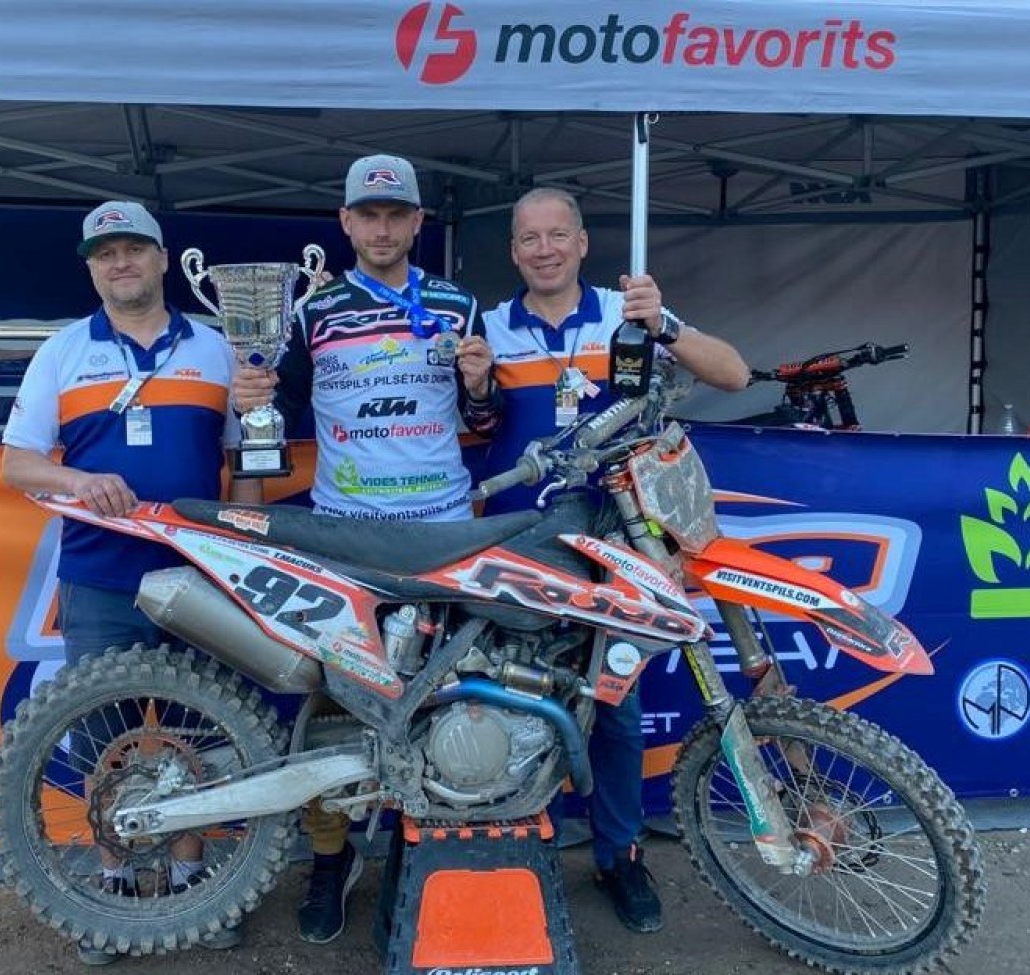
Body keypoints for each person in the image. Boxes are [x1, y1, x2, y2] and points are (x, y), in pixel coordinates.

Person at [231, 153, 500, 943]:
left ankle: (436, 847)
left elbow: (483, 424)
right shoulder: (310, 311)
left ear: (418, 222)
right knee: (331, 700)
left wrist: (480, 388)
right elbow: (275, 420)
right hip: (346, 532)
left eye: (396, 214)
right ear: (346, 223)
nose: (382, 228)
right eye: (368, 215)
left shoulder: (457, 304)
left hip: (444, 528)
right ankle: (330, 856)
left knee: (452, 691)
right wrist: (251, 399)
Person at [479, 186, 749, 934]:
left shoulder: (624, 313)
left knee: (616, 707)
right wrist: (473, 382)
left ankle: (619, 856)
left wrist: (664, 324)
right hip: (522, 542)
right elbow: (466, 417)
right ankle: (520, 847)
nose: (544, 250)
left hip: (619, 537)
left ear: (582, 242)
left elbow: (734, 373)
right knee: (515, 700)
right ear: (513, 251)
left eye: (556, 235)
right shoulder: (490, 327)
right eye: (529, 238)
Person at [1, 200, 254, 965]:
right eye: (105, 253)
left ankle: (191, 878)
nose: (120, 263)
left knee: (198, 734)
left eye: (133, 249)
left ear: (162, 258)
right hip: (99, 578)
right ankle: (111, 887)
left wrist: (245, 550)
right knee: (104, 741)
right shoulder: (63, 352)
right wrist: (79, 481)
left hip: (197, 576)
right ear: (91, 268)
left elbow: (247, 460)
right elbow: (18, 462)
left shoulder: (217, 348)